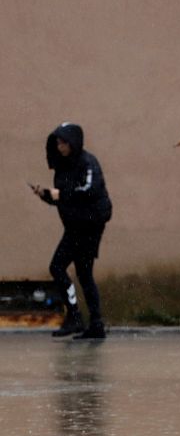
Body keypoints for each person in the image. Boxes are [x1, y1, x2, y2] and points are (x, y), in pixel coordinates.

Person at [29, 123, 112, 339]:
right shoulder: (62, 168)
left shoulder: (88, 162)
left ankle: (84, 320)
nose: (60, 146)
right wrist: (45, 195)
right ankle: (89, 322)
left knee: (67, 269)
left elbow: (89, 190)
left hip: (90, 225)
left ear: (73, 143)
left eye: (63, 142)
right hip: (75, 225)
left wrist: (61, 194)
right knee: (73, 272)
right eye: (57, 143)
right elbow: (62, 199)